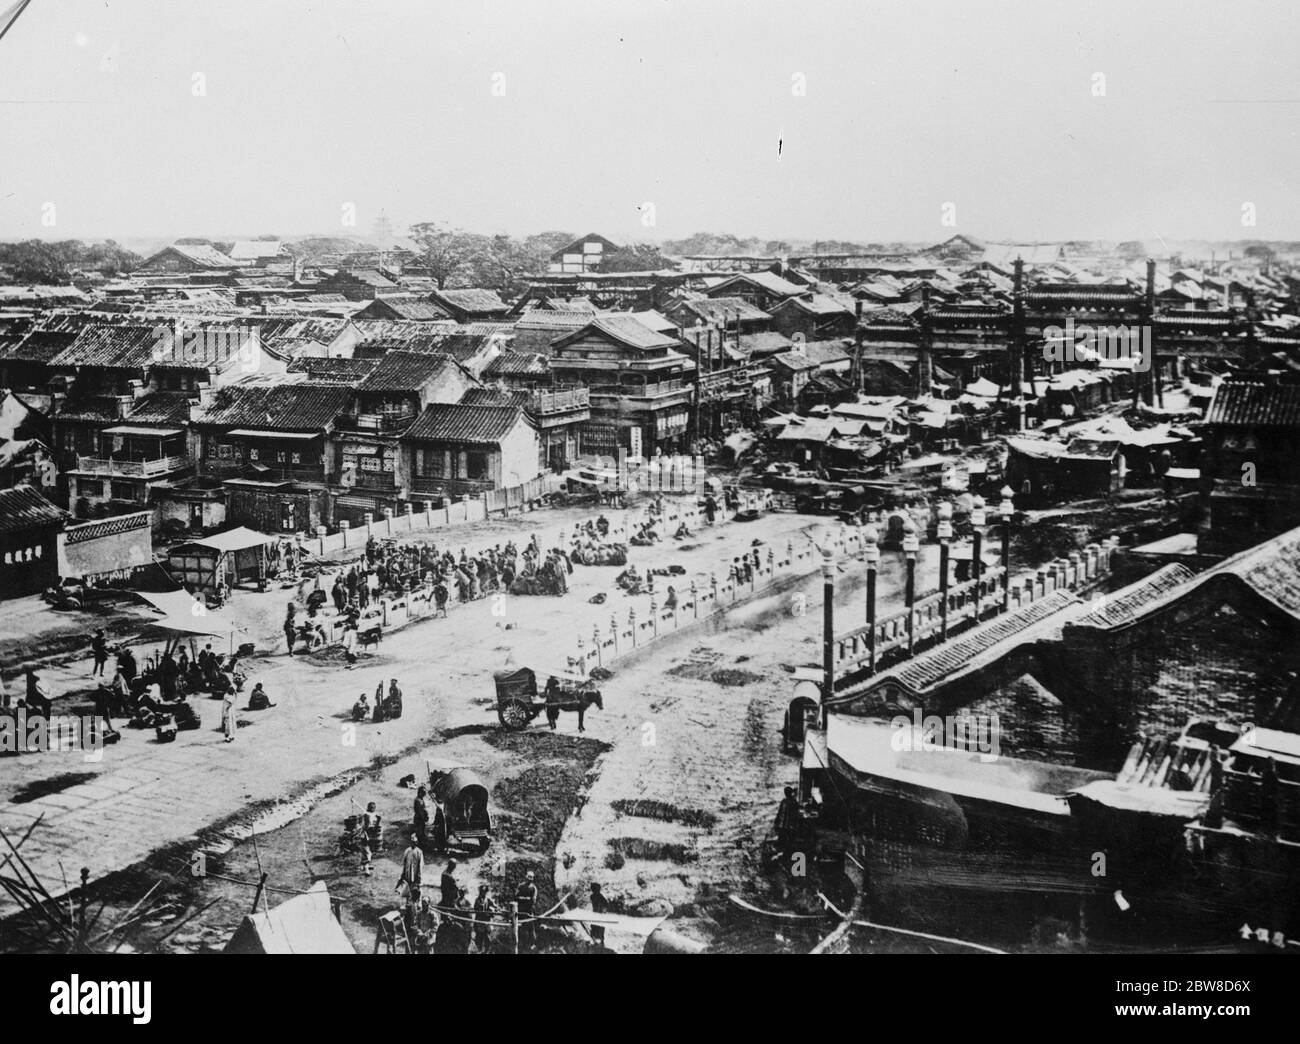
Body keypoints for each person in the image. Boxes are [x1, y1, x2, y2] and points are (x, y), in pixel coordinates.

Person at [774, 786, 801, 860]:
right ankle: (786, 854)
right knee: (788, 841)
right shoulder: (793, 802)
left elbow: (779, 813)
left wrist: (776, 821)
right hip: (788, 826)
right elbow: (796, 814)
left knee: (784, 841)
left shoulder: (784, 801)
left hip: (784, 825)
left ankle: (783, 854)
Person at [516, 871, 539, 950]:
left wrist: (523, 899)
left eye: (532, 877)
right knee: (520, 927)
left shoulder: (533, 888)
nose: (530, 879)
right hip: (520, 910)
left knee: (531, 928)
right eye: (529, 877)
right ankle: (520, 944)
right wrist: (525, 898)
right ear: (526, 877)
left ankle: (532, 944)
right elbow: (516, 897)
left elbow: (533, 900)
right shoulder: (521, 886)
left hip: (529, 911)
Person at [398, 833, 423, 905]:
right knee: (407, 889)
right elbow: (404, 863)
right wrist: (403, 874)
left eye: (414, 842)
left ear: (417, 842)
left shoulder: (419, 852)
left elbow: (420, 865)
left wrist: (419, 877)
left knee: (416, 890)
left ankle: (417, 904)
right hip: (408, 874)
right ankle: (408, 904)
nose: (413, 844)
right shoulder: (407, 851)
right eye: (412, 842)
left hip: (415, 875)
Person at [473, 884, 496, 954]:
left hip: (486, 922)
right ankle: (479, 950)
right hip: (479, 921)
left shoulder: (489, 900)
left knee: (487, 938)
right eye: (482, 891)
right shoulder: (477, 899)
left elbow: (495, 908)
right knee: (478, 938)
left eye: (484, 891)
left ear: (486, 892)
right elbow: (475, 908)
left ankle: (486, 951)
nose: (483, 893)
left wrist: (491, 910)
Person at [361, 802, 382, 875]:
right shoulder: (365, 816)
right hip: (365, 835)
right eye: (371, 807)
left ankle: (364, 865)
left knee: (369, 851)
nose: (373, 809)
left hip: (372, 836)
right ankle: (366, 868)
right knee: (367, 852)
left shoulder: (375, 815)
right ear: (368, 807)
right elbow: (364, 826)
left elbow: (376, 825)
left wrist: (378, 820)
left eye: (374, 807)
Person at [589, 882, 610, 949]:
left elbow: (606, 905)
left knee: (599, 928)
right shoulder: (593, 896)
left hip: (599, 914)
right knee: (595, 927)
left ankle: (601, 942)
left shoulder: (599, 896)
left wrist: (603, 910)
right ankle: (596, 941)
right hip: (596, 913)